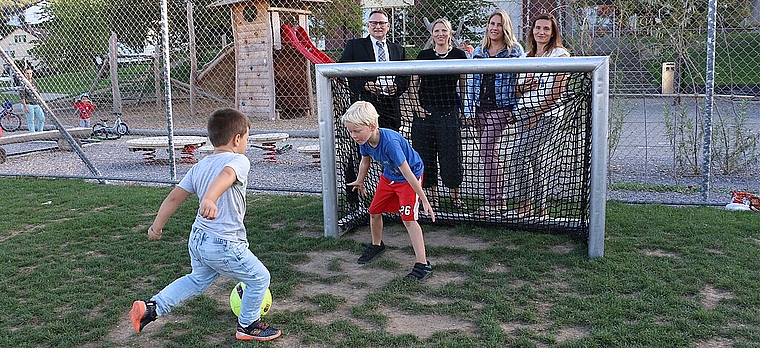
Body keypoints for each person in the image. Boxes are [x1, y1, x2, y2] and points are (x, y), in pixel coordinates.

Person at [129, 108, 281, 342]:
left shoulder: (199, 165)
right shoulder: (238, 160)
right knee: (259, 278)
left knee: (196, 279)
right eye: (247, 138)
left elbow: (174, 198)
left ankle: (152, 308)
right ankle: (248, 325)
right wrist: (210, 198)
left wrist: (156, 227)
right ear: (237, 139)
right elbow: (227, 175)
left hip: (199, 238)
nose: (246, 143)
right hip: (225, 242)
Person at [343, 101, 436, 280]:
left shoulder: (390, 142)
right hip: (390, 176)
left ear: (372, 125)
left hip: (409, 176)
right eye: (350, 131)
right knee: (374, 211)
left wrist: (423, 198)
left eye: (356, 131)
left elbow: (407, 171)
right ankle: (377, 244)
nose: (353, 135)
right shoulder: (364, 139)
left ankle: (423, 264)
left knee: (408, 219)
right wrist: (360, 180)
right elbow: (365, 161)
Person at [338, 10, 410, 210]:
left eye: (382, 23)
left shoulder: (398, 49)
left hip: (389, 107)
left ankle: (395, 200)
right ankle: (353, 201)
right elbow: (343, 70)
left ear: (388, 26)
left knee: (392, 155)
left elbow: (405, 77)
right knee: (358, 154)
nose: (378, 27)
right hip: (364, 107)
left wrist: (398, 87)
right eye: (374, 23)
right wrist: (364, 84)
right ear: (368, 26)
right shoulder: (355, 46)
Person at [505, 13, 570, 219]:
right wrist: (524, 87)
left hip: (547, 115)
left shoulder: (560, 55)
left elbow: (557, 92)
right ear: (532, 30)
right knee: (534, 159)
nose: (541, 32)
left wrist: (536, 113)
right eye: (537, 28)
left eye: (546, 29)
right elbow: (516, 90)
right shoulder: (526, 56)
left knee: (518, 156)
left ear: (553, 33)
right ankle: (540, 208)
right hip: (524, 112)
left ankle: (525, 205)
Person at [469, 9, 524, 216]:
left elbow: (520, 83)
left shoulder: (514, 51)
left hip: (502, 107)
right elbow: (473, 84)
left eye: (499, 24)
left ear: (505, 27)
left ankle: (494, 202)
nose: (494, 28)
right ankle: (497, 200)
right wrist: (469, 110)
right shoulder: (479, 51)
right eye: (492, 24)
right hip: (480, 107)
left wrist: (515, 109)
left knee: (487, 150)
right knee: (489, 154)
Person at [410, 18, 469, 211]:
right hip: (425, 114)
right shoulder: (424, 55)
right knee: (426, 155)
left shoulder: (459, 55)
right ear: (432, 33)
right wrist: (417, 107)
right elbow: (413, 84)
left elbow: (464, 85)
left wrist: (463, 111)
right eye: (437, 31)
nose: (440, 34)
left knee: (452, 156)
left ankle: (455, 197)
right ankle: (432, 197)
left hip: (449, 114)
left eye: (444, 30)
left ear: (450, 33)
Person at [19, 68, 44, 132]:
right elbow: (22, 96)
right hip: (28, 104)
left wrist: (41, 101)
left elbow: (37, 92)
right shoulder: (23, 83)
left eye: (30, 73)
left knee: (42, 118)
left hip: (36, 103)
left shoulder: (33, 81)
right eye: (27, 73)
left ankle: (40, 132)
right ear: (24, 74)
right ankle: (32, 134)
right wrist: (25, 107)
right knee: (31, 120)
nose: (29, 75)